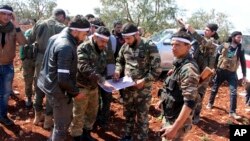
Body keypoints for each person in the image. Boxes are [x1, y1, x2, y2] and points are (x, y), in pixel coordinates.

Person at [37, 15, 90, 141]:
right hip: (59, 91)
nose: (85, 37)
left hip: (49, 85)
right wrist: (76, 93)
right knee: (62, 127)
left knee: (58, 124)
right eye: (84, 34)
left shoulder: (55, 37)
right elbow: (63, 79)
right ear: (75, 31)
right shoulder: (66, 46)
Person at [113, 23, 162, 141]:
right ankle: (127, 136)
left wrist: (144, 80)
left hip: (143, 90)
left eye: (128, 38)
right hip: (127, 88)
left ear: (136, 34)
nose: (126, 41)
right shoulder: (125, 46)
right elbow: (119, 61)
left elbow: (157, 69)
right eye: (124, 38)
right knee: (128, 114)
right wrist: (118, 71)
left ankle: (142, 138)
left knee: (142, 117)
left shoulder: (149, 46)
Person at [69, 26, 115, 141]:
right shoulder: (83, 47)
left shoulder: (103, 49)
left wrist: (111, 77)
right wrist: (102, 80)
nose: (104, 44)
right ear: (94, 37)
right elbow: (84, 67)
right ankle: (76, 136)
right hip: (82, 87)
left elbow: (103, 67)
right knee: (79, 114)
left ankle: (86, 133)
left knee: (92, 112)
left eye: (106, 42)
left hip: (94, 87)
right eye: (102, 41)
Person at [28, 8, 66, 129]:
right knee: (51, 88)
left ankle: (37, 115)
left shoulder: (39, 23)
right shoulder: (62, 27)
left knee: (38, 85)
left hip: (39, 58)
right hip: (53, 59)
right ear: (61, 17)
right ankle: (48, 120)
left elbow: (30, 39)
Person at [158, 31, 199, 141]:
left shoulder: (188, 69)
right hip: (171, 114)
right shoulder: (179, 63)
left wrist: (174, 128)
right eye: (172, 44)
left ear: (188, 47)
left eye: (177, 45)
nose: (173, 47)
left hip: (177, 121)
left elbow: (189, 102)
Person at [181, 20, 220, 124]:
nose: (205, 31)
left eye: (207, 30)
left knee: (199, 94)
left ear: (213, 32)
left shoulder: (214, 42)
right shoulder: (199, 38)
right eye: (205, 29)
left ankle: (196, 114)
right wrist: (185, 27)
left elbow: (205, 43)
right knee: (189, 92)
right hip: (195, 69)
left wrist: (192, 30)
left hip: (205, 73)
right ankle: (187, 113)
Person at [207, 31, 247, 120]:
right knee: (214, 88)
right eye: (238, 37)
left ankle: (232, 112)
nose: (240, 39)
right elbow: (216, 57)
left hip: (232, 73)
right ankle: (210, 103)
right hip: (220, 71)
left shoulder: (240, 49)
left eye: (241, 38)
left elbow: (243, 63)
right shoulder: (223, 46)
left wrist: (244, 75)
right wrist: (214, 68)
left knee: (233, 92)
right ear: (233, 37)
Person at [0, 4, 27, 126]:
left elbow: (23, 42)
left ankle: (2, 115)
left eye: (8, 14)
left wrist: (17, 27)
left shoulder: (13, 29)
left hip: (7, 66)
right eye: (3, 13)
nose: (6, 16)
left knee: (5, 93)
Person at [20, 27, 36, 107]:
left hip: (37, 60)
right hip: (28, 60)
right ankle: (29, 97)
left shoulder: (42, 33)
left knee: (36, 81)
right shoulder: (28, 32)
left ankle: (35, 98)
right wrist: (23, 58)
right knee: (28, 80)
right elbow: (22, 46)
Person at [112, 20, 125, 103]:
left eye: (121, 27)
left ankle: (124, 96)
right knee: (118, 78)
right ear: (114, 28)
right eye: (118, 27)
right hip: (116, 61)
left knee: (124, 78)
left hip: (125, 60)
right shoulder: (112, 37)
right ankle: (121, 95)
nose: (119, 29)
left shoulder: (124, 36)